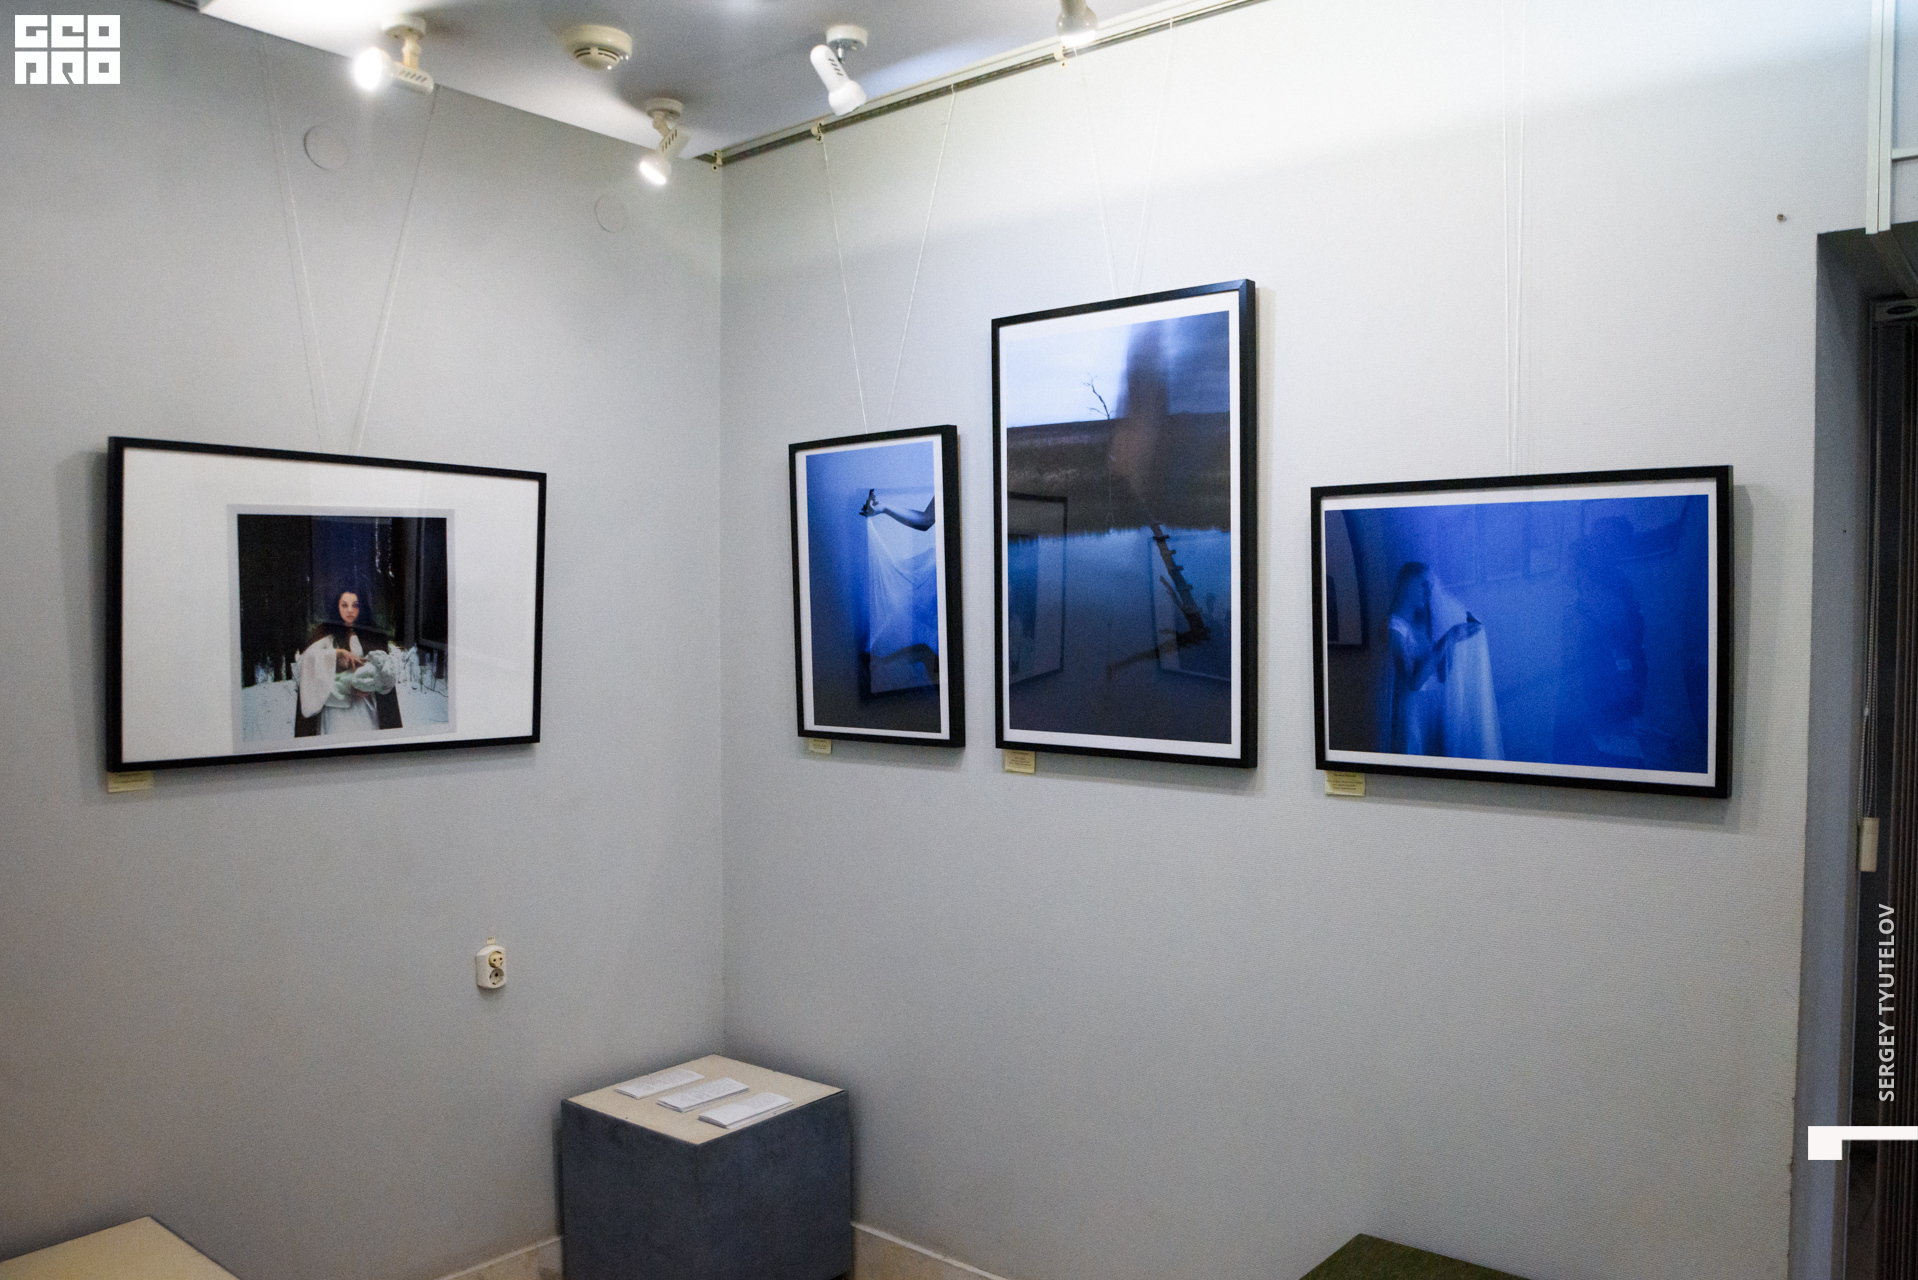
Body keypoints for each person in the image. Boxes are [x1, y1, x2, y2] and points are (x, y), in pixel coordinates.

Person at [1380, 561, 1502, 759]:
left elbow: (1442, 675)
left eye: (1430, 586)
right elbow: (1414, 682)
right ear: (1407, 585)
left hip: (1434, 709)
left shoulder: (1422, 624)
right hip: (1413, 714)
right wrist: (1449, 637)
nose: (1428, 592)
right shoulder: (1393, 628)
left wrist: (1456, 640)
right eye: (1423, 585)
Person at [295, 589, 402, 736]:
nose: (350, 610)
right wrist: (336, 655)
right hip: (335, 713)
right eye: (344, 605)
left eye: (355, 605)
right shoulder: (325, 635)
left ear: (362, 608)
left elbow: (385, 672)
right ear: (337, 607)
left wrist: (374, 682)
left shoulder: (372, 637)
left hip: (364, 708)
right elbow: (307, 663)